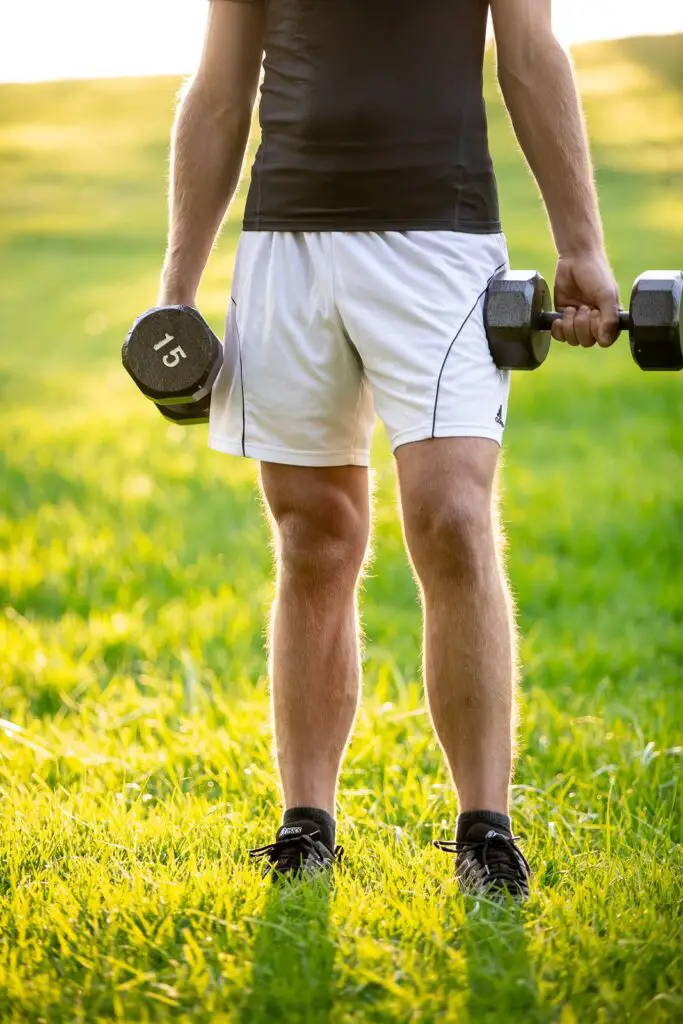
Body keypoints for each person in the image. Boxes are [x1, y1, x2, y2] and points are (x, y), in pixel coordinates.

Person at [158, 0, 620, 900]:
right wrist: (177, 288)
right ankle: (307, 824)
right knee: (313, 536)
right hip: (286, 240)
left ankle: (484, 828)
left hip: (440, 241)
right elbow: (219, 92)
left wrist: (582, 244)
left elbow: (529, 57)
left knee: (451, 514)